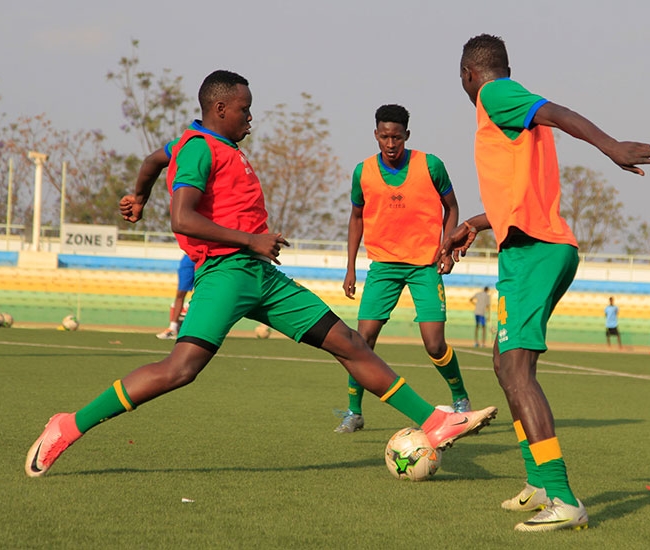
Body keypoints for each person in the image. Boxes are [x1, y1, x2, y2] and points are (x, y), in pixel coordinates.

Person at [26, 70, 498, 478]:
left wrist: (140, 193)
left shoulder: (207, 144)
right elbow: (182, 218)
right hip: (225, 273)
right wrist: (249, 239)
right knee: (180, 369)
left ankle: (436, 422)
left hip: (261, 276)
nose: (250, 117)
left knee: (350, 342)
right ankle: (69, 425)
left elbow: (153, 160)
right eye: (244, 109)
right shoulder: (199, 149)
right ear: (219, 108)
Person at [443, 34, 650, 532]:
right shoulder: (510, 110)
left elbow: (558, 112)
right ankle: (540, 483)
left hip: (535, 253)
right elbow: (519, 194)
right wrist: (475, 224)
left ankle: (563, 498)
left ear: (468, 74)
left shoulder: (494, 94)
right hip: (536, 248)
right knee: (505, 363)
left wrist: (610, 146)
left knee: (516, 369)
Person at [336, 104, 473, 434]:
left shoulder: (431, 165)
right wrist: (350, 267)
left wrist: (446, 248)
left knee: (434, 344)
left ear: (407, 135)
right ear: (376, 135)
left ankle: (460, 399)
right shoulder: (363, 172)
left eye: (396, 137)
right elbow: (356, 218)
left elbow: (451, 208)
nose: (390, 143)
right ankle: (354, 412)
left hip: (424, 265)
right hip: (383, 266)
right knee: (361, 341)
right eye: (384, 137)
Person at [157, 254, 196, 340]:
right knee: (180, 293)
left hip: (206, 258)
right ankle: (173, 328)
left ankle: (197, 330)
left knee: (201, 293)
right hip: (189, 257)